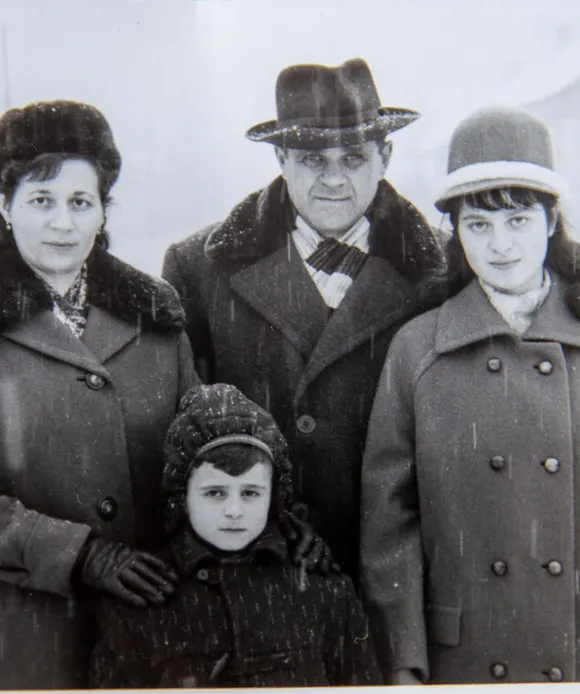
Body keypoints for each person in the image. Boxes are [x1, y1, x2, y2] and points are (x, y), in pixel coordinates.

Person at [0, 101, 329, 690]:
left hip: (147, 639)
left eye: (81, 202)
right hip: (17, 643)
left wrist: (275, 518)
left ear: (102, 208)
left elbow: (209, 450)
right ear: (3, 202)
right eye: (41, 201)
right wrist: (78, 554)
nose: (62, 224)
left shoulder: (151, 318)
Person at [359, 106, 580, 685]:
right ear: (455, 232)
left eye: (519, 220)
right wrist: (404, 662)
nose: (500, 244)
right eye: (478, 224)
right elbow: (388, 532)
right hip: (471, 658)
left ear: (552, 221)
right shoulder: (418, 352)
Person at [162, 58, 446, 580]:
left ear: (385, 157)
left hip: (396, 569)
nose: (335, 179)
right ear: (281, 158)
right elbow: (183, 436)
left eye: (354, 157)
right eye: (314, 159)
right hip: (259, 571)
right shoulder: (200, 268)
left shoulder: (442, 271)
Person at [89, 384, 380, 688]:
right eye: (215, 492)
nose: (234, 510)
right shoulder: (140, 604)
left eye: (251, 493)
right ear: (181, 497)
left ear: (274, 497)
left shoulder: (325, 594)